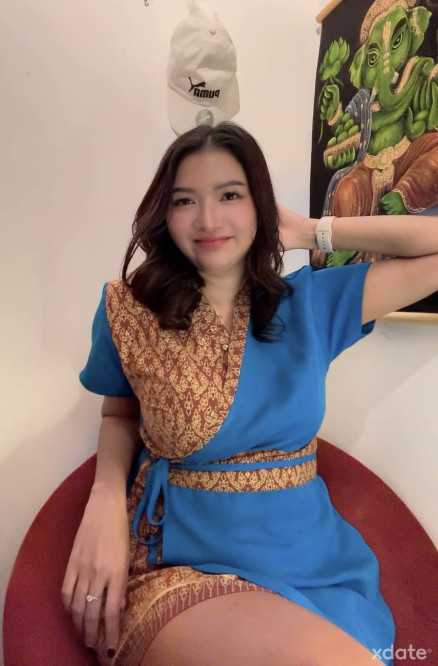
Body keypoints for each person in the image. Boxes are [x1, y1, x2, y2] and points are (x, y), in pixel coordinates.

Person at [62, 121, 438, 666]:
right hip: (184, 564)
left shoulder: (310, 305)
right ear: (164, 213)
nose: (208, 219)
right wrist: (104, 502)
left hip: (314, 565)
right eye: (185, 200)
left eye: (230, 196)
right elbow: (119, 414)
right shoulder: (129, 309)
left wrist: (311, 231)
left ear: (260, 204)